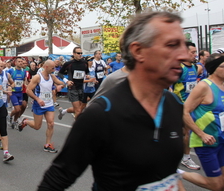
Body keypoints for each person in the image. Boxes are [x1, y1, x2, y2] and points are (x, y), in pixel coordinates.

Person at [38, 11, 188, 190]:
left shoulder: (174, 104)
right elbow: (56, 180)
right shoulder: (101, 114)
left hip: (84, 87)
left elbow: (169, 174)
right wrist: (66, 81)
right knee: (78, 111)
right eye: (171, 45)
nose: (184, 56)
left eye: (183, 45)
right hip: (73, 91)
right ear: (138, 51)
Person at [181, 54, 224, 190]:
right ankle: (177, 173)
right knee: (216, 185)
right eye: (223, 66)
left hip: (222, 140)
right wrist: (201, 134)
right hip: (207, 143)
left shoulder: (223, 86)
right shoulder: (204, 86)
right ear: (214, 68)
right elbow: (185, 112)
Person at [19, 60, 65, 153]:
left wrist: (60, 87)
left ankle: (47, 144)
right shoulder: (37, 77)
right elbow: (28, 90)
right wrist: (38, 99)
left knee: (51, 123)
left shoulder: (52, 76)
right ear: (46, 67)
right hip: (38, 105)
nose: (54, 69)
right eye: (52, 68)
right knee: (37, 126)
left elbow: (61, 83)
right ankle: (26, 121)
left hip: (49, 104)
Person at [173, 41, 201, 170]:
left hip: (192, 105)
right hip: (180, 104)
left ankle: (180, 154)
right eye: (193, 52)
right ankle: (186, 157)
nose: (195, 55)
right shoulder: (179, 68)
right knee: (186, 131)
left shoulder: (195, 68)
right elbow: (170, 85)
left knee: (184, 131)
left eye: (196, 52)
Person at [57, 47, 89, 119]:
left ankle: (63, 111)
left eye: (81, 53)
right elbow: (60, 73)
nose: (80, 54)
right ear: (74, 54)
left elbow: (87, 72)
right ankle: (77, 128)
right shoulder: (69, 64)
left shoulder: (84, 63)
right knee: (78, 110)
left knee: (79, 109)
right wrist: (67, 81)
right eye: (78, 53)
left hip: (81, 88)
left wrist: (88, 75)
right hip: (72, 88)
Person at [7, 57, 28, 128]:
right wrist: (9, 86)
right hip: (13, 93)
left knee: (19, 109)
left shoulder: (24, 71)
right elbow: (6, 79)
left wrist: (26, 85)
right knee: (17, 109)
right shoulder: (11, 70)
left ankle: (14, 121)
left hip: (20, 92)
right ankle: (10, 117)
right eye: (19, 61)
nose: (21, 63)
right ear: (15, 63)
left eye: (22, 62)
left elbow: (25, 81)